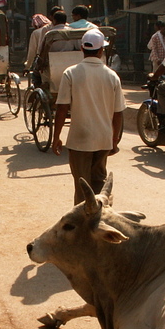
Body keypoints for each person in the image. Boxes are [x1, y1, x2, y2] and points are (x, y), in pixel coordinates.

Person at [52, 29, 125, 205]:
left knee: (82, 188)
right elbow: (118, 113)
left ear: (82, 49)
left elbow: (62, 108)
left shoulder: (71, 73)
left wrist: (56, 137)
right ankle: (101, 222)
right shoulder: (112, 76)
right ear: (101, 51)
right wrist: (114, 140)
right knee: (99, 186)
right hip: (103, 140)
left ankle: (82, 227)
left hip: (80, 140)